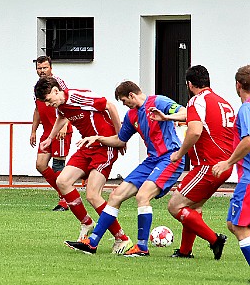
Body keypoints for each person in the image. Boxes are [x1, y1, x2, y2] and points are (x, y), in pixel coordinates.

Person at [65, 81, 186, 256]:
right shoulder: (131, 115)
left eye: (124, 101)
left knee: (143, 195)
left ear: (131, 95)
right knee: (115, 195)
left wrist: (167, 117)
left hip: (171, 157)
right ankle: (92, 244)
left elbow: (186, 113)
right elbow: (120, 140)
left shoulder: (158, 102)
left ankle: (142, 247)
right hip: (152, 160)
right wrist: (98, 138)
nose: (124, 104)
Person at [34, 76, 132, 254]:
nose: (48, 105)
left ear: (56, 91)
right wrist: (50, 138)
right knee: (62, 181)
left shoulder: (77, 97)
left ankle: (122, 238)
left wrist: (120, 137)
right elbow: (61, 117)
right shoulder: (61, 105)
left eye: (48, 100)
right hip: (87, 146)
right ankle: (87, 222)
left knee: (93, 195)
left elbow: (110, 106)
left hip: (105, 146)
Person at [150, 65, 234, 259]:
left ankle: (215, 240)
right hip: (224, 165)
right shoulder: (222, 102)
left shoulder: (196, 101)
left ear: (189, 84)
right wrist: (167, 117)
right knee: (193, 207)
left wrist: (179, 154)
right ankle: (185, 251)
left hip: (207, 165)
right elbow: (198, 121)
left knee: (175, 206)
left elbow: (195, 131)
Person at [212, 65, 250, 269]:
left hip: (249, 179)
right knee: (232, 223)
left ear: (238, 85)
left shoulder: (246, 109)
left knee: (238, 226)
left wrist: (228, 162)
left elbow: (248, 140)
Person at [30, 56, 73, 211]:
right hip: (47, 131)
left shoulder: (58, 83)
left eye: (45, 68)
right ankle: (67, 194)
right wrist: (33, 130)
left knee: (57, 164)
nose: (42, 71)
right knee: (40, 165)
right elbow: (37, 109)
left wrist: (64, 125)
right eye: (39, 68)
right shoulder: (37, 87)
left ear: (51, 68)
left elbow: (67, 103)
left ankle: (64, 201)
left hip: (61, 129)